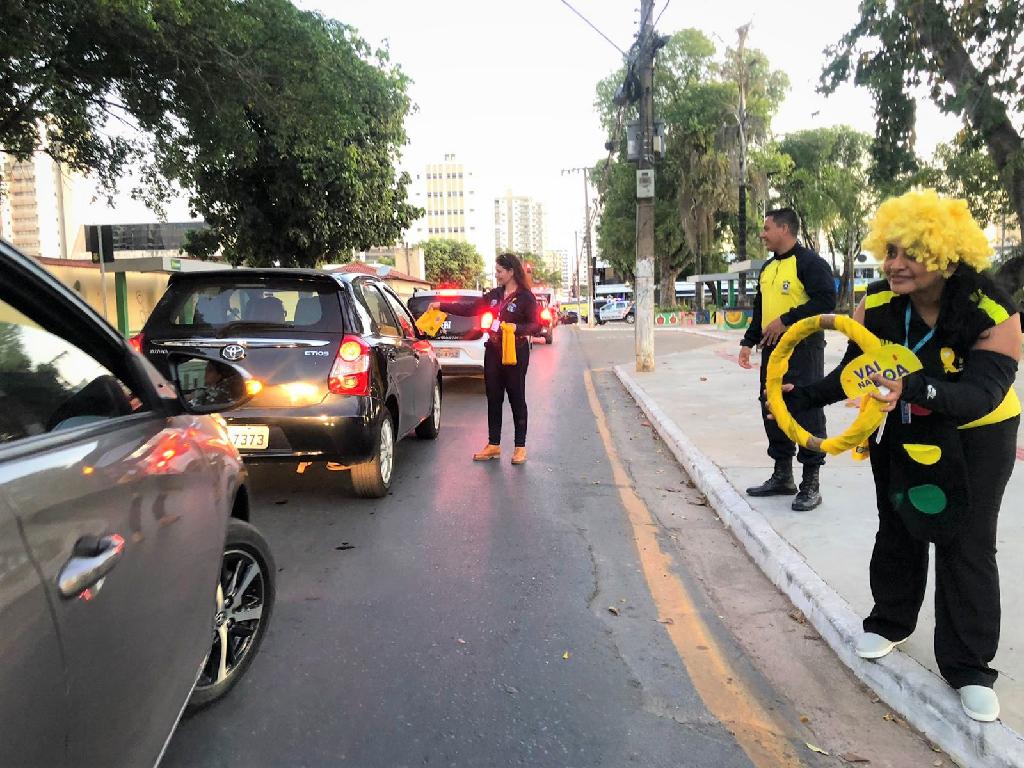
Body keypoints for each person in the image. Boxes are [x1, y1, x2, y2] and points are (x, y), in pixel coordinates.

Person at [780, 189, 1021, 722]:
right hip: (907, 427)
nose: (894, 264)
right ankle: (890, 623)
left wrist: (917, 388)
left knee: (966, 542)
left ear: (946, 255)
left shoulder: (994, 313)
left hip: (980, 436)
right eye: (889, 251)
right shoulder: (880, 306)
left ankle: (969, 667)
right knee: (899, 526)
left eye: (909, 252)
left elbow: (981, 394)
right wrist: (807, 396)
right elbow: (856, 370)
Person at [738, 208, 837, 510]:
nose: (762, 234)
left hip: (803, 350)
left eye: (767, 228)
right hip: (771, 351)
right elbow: (760, 309)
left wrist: (787, 320)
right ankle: (783, 475)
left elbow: (826, 301)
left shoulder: (810, 264)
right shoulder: (768, 269)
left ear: (784, 229)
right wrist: (748, 341)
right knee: (771, 405)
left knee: (806, 408)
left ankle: (811, 482)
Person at [432, 253, 540, 464]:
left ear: (511, 271)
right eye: (496, 271)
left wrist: (515, 328)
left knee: (516, 397)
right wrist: (442, 306)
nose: (497, 275)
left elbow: (536, 325)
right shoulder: (494, 295)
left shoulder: (526, 298)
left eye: (500, 271)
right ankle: (494, 445)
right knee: (493, 397)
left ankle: (520, 447)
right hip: (493, 351)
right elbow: (471, 308)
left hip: (515, 353)